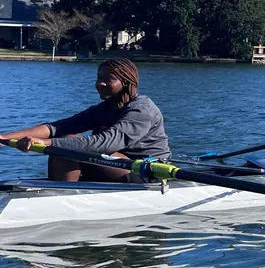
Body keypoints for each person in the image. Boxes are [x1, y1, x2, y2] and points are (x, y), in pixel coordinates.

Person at [0, 58, 170, 182]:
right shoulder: (103, 109)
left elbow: (104, 144)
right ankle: (60, 192)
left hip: (147, 172)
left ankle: (62, 200)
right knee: (65, 143)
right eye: (99, 78)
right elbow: (56, 127)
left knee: (66, 145)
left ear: (126, 83)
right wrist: (4, 138)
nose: (100, 84)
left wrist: (46, 143)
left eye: (108, 79)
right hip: (112, 165)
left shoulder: (142, 109)